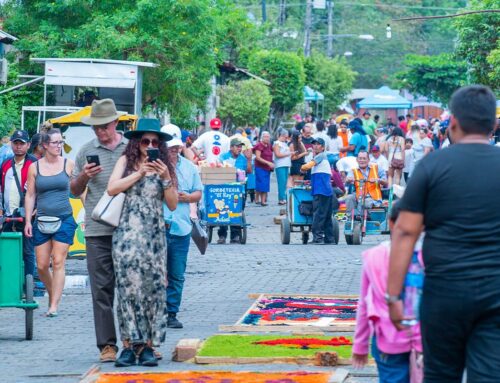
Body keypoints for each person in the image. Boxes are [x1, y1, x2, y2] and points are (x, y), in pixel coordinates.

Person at [387, 85, 500, 382]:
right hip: (496, 293)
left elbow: (405, 232)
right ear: (493, 125)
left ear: (452, 123)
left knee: (439, 374)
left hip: (444, 292)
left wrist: (394, 295)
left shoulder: (433, 165)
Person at [107, 118, 177, 367]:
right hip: (126, 236)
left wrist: (166, 176)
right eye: (145, 141)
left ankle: (148, 346)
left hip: (154, 239)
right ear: (137, 142)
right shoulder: (126, 162)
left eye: (155, 142)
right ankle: (127, 345)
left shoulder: (165, 166)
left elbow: (172, 203)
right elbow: (112, 189)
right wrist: (139, 173)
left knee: (153, 290)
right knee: (127, 290)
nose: (150, 145)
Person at [70, 98, 129, 362]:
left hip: (129, 229)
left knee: (130, 287)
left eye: (103, 126)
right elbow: (73, 190)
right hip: (96, 230)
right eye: (95, 127)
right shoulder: (85, 151)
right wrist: (84, 176)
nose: (99, 131)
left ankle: (133, 340)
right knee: (102, 289)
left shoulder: (131, 148)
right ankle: (107, 345)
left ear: (115, 123)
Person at [352, 201, 422, 382]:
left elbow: (364, 305)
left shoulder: (374, 256)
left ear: (390, 222)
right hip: (424, 339)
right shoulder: (429, 255)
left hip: (388, 338)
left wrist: (360, 345)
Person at [24, 128, 77, 317]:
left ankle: (53, 305)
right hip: (42, 220)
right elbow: (30, 194)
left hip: (64, 219)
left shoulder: (69, 164)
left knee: (58, 261)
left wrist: (89, 213)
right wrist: (28, 221)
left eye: (60, 142)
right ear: (44, 145)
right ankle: (54, 293)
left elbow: (80, 189)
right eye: (55, 143)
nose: (59, 146)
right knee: (41, 265)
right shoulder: (34, 167)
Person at [161, 123, 203, 329]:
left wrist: (187, 197)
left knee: (177, 273)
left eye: (176, 147)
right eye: (170, 147)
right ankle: (157, 310)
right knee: (157, 273)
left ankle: (171, 312)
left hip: (181, 226)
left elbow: (198, 193)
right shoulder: (156, 167)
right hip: (159, 226)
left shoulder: (189, 167)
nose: (174, 150)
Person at [0, 130, 38, 278]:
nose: (18, 146)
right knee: (8, 250)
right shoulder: (5, 164)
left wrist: (36, 209)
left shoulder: (33, 163)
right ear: (11, 144)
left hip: (28, 216)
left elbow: (41, 188)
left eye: (21, 143)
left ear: (28, 145)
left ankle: (27, 286)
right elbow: (1, 190)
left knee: (28, 252)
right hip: (8, 216)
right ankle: (9, 283)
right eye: (15, 143)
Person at [300, 137, 337, 244]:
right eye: (314, 144)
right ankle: (330, 239)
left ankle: (318, 238)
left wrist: (302, 168)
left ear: (323, 147)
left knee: (318, 214)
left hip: (321, 191)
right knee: (326, 215)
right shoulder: (319, 157)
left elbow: (307, 166)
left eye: (318, 144)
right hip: (325, 191)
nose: (315, 146)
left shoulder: (321, 156)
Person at [218, 137, 252, 243]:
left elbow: (249, 171)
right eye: (237, 146)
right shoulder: (223, 157)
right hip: (225, 188)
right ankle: (222, 235)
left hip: (239, 188)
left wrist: (249, 159)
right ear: (231, 147)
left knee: (237, 210)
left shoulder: (243, 158)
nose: (240, 149)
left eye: (240, 147)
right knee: (223, 210)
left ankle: (235, 235)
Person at [344, 151, 387, 217]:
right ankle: (351, 218)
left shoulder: (376, 167)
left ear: (368, 160)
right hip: (359, 195)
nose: (362, 160)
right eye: (360, 158)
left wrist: (378, 180)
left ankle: (366, 218)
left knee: (365, 202)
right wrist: (349, 179)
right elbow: (347, 180)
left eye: (364, 158)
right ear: (357, 160)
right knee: (349, 198)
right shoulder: (353, 170)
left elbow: (385, 181)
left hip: (372, 197)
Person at [253, 131, 273, 206]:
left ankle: (259, 199)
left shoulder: (269, 145)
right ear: (262, 137)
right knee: (262, 183)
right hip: (260, 167)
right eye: (265, 136)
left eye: (268, 137)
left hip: (267, 168)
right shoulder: (259, 145)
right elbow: (258, 157)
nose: (267, 138)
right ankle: (262, 201)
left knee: (265, 183)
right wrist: (268, 162)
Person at [273, 128, 291, 205]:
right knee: (281, 182)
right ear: (282, 135)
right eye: (286, 136)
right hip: (280, 165)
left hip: (286, 164)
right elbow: (277, 154)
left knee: (285, 182)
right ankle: (281, 198)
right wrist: (289, 153)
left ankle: (284, 197)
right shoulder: (277, 143)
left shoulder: (285, 143)